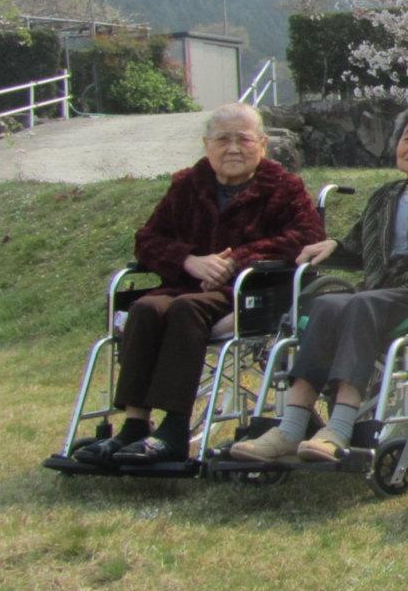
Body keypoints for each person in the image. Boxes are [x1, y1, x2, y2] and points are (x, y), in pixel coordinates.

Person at [228, 105, 408, 464]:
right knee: (327, 304)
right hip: (381, 293)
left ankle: (340, 427)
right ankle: (290, 427)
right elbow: (360, 247)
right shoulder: (384, 197)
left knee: (361, 304)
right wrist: (334, 248)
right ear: (396, 147)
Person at [71, 104, 323, 465]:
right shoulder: (188, 184)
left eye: (244, 139)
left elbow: (307, 236)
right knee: (145, 308)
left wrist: (235, 260)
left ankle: (174, 430)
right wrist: (189, 259)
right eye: (222, 139)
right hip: (184, 284)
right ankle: (134, 424)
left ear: (262, 144)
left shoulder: (284, 186)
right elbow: (148, 238)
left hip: (248, 293)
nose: (233, 148)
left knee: (187, 310)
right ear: (207, 144)